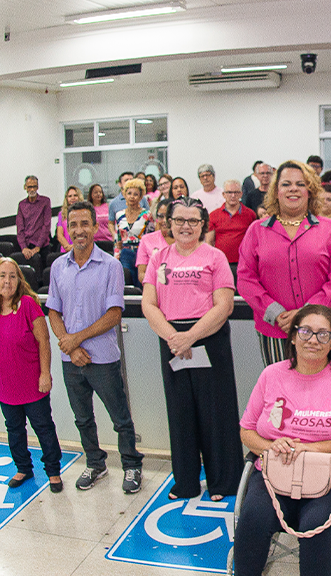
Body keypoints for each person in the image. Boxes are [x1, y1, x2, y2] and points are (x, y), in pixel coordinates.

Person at [233, 305, 331, 576]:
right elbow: (247, 430)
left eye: (324, 334)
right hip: (275, 473)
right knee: (252, 518)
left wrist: (309, 449)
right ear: (292, 337)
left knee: (316, 526)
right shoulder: (271, 375)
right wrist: (269, 446)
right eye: (306, 332)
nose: (313, 340)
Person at [141, 197, 239, 501]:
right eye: (179, 220)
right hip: (171, 339)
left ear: (202, 225)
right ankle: (185, 483)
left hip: (208, 338)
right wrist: (174, 336)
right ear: (169, 223)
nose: (185, 226)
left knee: (216, 412)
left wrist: (190, 337)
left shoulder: (216, 257)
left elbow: (224, 306)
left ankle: (223, 483)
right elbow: (148, 303)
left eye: (193, 221)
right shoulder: (159, 258)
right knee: (180, 412)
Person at [47, 201, 142, 493]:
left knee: (120, 417)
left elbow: (114, 314)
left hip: (102, 359)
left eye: (84, 224)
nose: (79, 231)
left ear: (94, 226)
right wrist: (70, 346)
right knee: (83, 418)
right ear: (67, 227)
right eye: (73, 225)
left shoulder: (110, 266)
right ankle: (95, 463)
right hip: (71, 361)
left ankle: (131, 465)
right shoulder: (58, 266)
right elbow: (53, 311)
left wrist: (76, 339)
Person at [238, 161, 331, 366]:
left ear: (310, 190)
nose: (293, 189)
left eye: (300, 184)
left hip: (321, 328)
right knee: (281, 393)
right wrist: (275, 312)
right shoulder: (256, 231)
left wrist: (307, 313)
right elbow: (246, 279)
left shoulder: (330, 230)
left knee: (324, 392)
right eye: (286, 184)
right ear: (276, 191)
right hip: (275, 329)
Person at [0, 257, 63, 492]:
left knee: (43, 427)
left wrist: (45, 373)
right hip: (5, 384)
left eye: (12, 276)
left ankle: (53, 471)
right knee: (14, 429)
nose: (7, 281)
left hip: (31, 383)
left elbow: (43, 341)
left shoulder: (28, 304)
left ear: (19, 280)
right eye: (2, 275)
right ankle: (23, 468)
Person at [207, 179, 256, 280]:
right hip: (221, 263)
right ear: (224, 194)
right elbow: (209, 242)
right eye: (229, 192)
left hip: (243, 263)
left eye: (236, 192)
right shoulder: (213, 215)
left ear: (241, 194)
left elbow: (254, 241)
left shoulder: (250, 214)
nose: (233, 195)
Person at [112, 178, 150, 285]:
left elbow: (150, 238)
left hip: (142, 253)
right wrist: (116, 259)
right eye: (129, 193)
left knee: (141, 283)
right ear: (124, 195)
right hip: (125, 253)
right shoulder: (119, 215)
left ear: (140, 196)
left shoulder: (147, 215)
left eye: (135, 194)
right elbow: (117, 239)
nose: (132, 197)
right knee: (126, 282)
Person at [136, 198, 174, 284]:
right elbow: (141, 274)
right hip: (154, 289)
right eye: (161, 216)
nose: (164, 220)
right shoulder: (146, 240)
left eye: (168, 216)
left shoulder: (183, 240)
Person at [16, 175, 53, 262]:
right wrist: (24, 247)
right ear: (25, 187)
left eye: (34, 187)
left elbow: (46, 225)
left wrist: (38, 247)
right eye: (29, 187)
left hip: (42, 247)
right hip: (26, 247)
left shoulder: (45, 201)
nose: (32, 190)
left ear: (38, 187)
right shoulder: (21, 205)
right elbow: (20, 228)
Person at [55, 186, 83, 252]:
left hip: (81, 249)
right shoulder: (61, 214)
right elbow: (59, 234)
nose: (73, 198)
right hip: (66, 250)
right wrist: (67, 247)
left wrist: (75, 247)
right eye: (70, 196)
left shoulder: (84, 212)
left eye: (75, 195)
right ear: (66, 198)